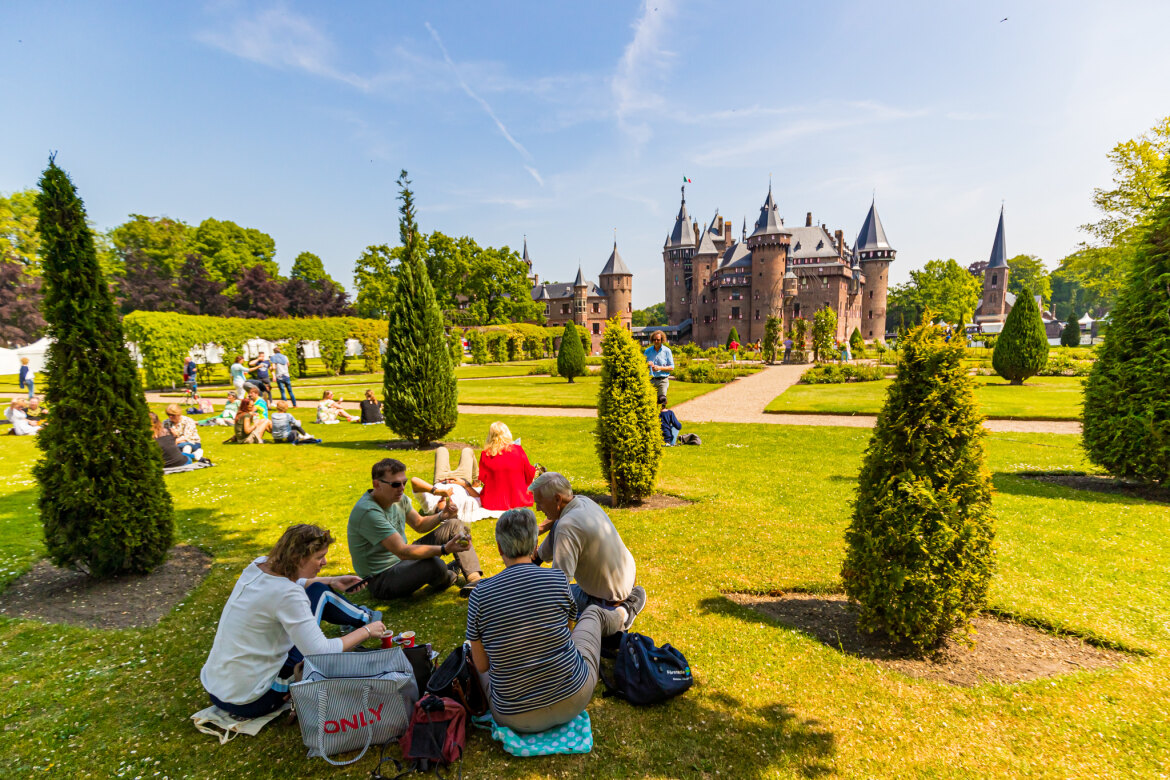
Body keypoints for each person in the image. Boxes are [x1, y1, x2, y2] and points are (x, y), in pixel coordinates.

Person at [200, 524, 385, 719]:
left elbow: (294, 581)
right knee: (320, 595)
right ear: (299, 558)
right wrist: (367, 632)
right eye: (319, 557)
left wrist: (332, 580)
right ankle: (367, 620)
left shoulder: (258, 566)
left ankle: (363, 617)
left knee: (319, 590)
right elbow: (320, 651)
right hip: (255, 699)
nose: (324, 562)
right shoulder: (288, 595)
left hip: (217, 690)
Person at [467, 508, 626, 734]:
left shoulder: (480, 594)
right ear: (535, 546)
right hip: (574, 698)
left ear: (500, 548)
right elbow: (568, 633)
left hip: (515, 717)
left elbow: (483, 666)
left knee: (474, 660)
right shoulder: (557, 579)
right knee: (592, 614)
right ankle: (622, 615)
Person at [347, 458, 483, 600]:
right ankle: (449, 575)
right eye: (395, 484)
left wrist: (442, 515)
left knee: (454, 524)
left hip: (402, 561)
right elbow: (402, 552)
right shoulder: (369, 512)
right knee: (434, 564)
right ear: (377, 484)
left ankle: (474, 580)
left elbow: (419, 523)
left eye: (404, 482)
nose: (401, 488)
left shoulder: (399, 498)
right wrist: (444, 549)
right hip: (381, 579)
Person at [530, 472, 645, 628]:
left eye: (540, 503)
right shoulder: (583, 501)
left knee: (538, 597)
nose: (537, 508)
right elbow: (555, 519)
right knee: (558, 524)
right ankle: (534, 561)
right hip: (627, 579)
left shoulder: (567, 527)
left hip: (607, 601)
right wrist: (538, 530)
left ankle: (619, 615)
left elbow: (559, 586)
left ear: (557, 499)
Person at [477, 422, 536, 512]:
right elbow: (529, 473)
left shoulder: (485, 454)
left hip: (492, 502)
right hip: (518, 500)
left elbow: (483, 479)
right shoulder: (518, 450)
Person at [643, 330, 674, 404]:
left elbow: (672, 367)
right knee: (650, 402)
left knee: (661, 402)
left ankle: (662, 415)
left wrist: (659, 368)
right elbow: (641, 365)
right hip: (650, 380)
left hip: (662, 381)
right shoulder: (647, 351)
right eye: (654, 339)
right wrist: (646, 364)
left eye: (658, 340)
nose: (656, 341)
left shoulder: (667, 351)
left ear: (662, 340)